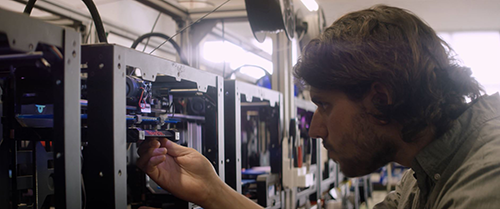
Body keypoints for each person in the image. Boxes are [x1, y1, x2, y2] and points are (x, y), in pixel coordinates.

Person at [137, 4, 500, 209]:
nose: (314, 129)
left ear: (381, 98)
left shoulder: (482, 183)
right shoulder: (424, 173)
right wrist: (212, 190)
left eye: (324, 105)